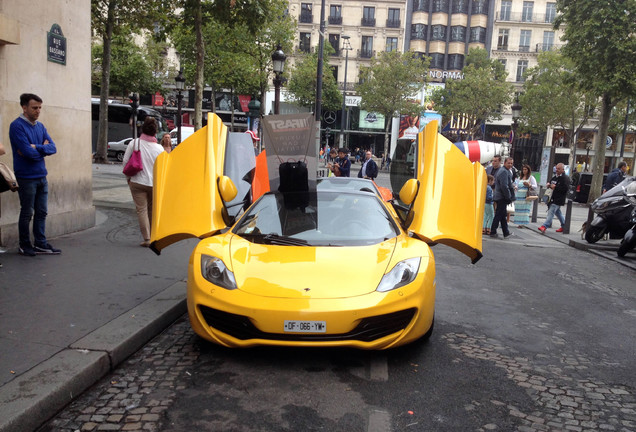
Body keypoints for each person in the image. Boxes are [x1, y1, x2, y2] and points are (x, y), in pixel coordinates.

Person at [9, 93, 59, 256]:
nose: (38, 111)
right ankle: (24, 244)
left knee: (42, 211)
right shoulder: (16, 126)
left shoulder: (41, 126)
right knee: (27, 212)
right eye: (34, 108)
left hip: (41, 175)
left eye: (39, 108)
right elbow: (26, 153)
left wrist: (36, 148)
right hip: (26, 176)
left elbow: (53, 148)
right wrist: (41, 149)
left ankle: (40, 243)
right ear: (24, 108)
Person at [122, 117, 165, 247]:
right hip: (154, 184)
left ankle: (147, 239)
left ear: (143, 129)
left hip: (137, 181)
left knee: (142, 210)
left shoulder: (135, 143)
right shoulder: (159, 148)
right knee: (152, 210)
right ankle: (153, 236)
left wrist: (128, 179)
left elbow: (125, 161)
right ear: (155, 132)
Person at [538, 163, 570, 234]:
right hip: (552, 197)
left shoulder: (565, 178)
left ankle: (544, 226)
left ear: (563, 169)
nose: (557, 170)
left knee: (551, 212)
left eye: (559, 169)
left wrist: (555, 187)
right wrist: (548, 184)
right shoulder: (555, 177)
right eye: (556, 168)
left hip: (558, 199)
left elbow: (565, 189)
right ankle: (564, 225)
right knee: (558, 213)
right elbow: (551, 181)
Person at [490, 157, 516, 239]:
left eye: (511, 163)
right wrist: (508, 197)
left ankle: (505, 232)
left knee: (502, 215)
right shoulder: (504, 172)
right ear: (504, 163)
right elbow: (504, 186)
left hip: (501, 196)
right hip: (502, 196)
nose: (510, 165)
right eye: (509, 163)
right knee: (499, 214)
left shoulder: (505, 171)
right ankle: (493, 231)